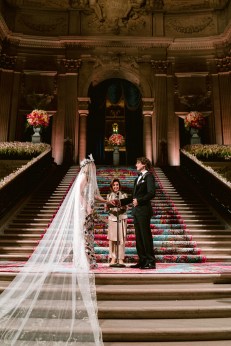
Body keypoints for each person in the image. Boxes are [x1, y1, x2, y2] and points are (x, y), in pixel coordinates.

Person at [0, 154, 106, 345]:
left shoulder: (88, 178)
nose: (93, 170)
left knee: (85, 236)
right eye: (92, 167)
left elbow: (91, 194)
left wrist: (101, 202)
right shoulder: (82, 178)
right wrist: (86, 208)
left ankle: (85, 258)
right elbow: (79, 194)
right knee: (82, 235)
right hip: (83, 210)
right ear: (87, 167)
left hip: (87, 209)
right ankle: (83, 259)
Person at [119, 156, 156, 269]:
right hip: (137, 212)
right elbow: (133, 197)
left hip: (144, 210)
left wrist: (139, 201)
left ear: (143, 164)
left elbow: (151, 193)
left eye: (138, 163)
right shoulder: (137, 178)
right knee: (139, 237)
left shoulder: (149, 177)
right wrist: (119, 202)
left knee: (146, 236)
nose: (136, 165)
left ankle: (151, 261)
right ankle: (142, 260)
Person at [105, 178, 128, 265]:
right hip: (112, 218)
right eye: (114, 185)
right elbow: (106, 208)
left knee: (121, 239)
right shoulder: (109, 196)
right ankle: (113, 258)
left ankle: (121, 258)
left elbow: (127, 207)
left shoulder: (124, 195)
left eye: (117, 185)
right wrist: (107, 206)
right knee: (112, 239)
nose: (116, 186)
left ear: (119, 186)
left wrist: (122, 206)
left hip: (121, 217)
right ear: (112, 186)